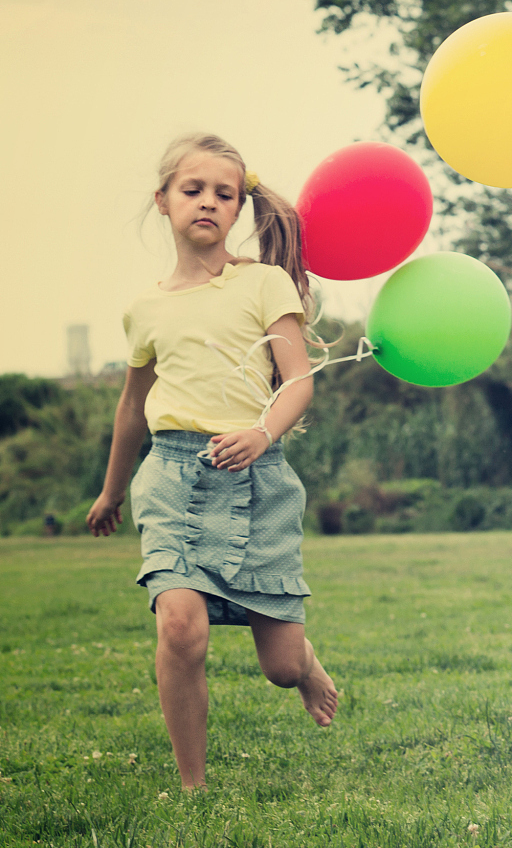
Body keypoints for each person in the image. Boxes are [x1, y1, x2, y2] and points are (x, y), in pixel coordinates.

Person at [88, 133, 339, 791]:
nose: (208, 202)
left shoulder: (263, 282)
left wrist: (261, 433)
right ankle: (193, 786)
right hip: (171, 476)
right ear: (163, 201)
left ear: (239, 207)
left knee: (279, 666)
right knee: (180, 625)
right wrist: (111, 493)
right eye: (192, 190)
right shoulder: (144, 308)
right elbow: (130, 409)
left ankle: (304, 666)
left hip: (257, 480)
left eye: (223, 194)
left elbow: (298, 380)